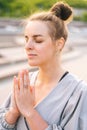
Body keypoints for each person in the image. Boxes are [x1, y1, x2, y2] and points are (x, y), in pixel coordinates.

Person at [0, 1, 87, 130]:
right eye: (26, 39)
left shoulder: (78, 93)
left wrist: (30, 112)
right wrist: (13, 113)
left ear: (59, 44)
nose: (28, 46)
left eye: (38, 40)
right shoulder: (24, 83)